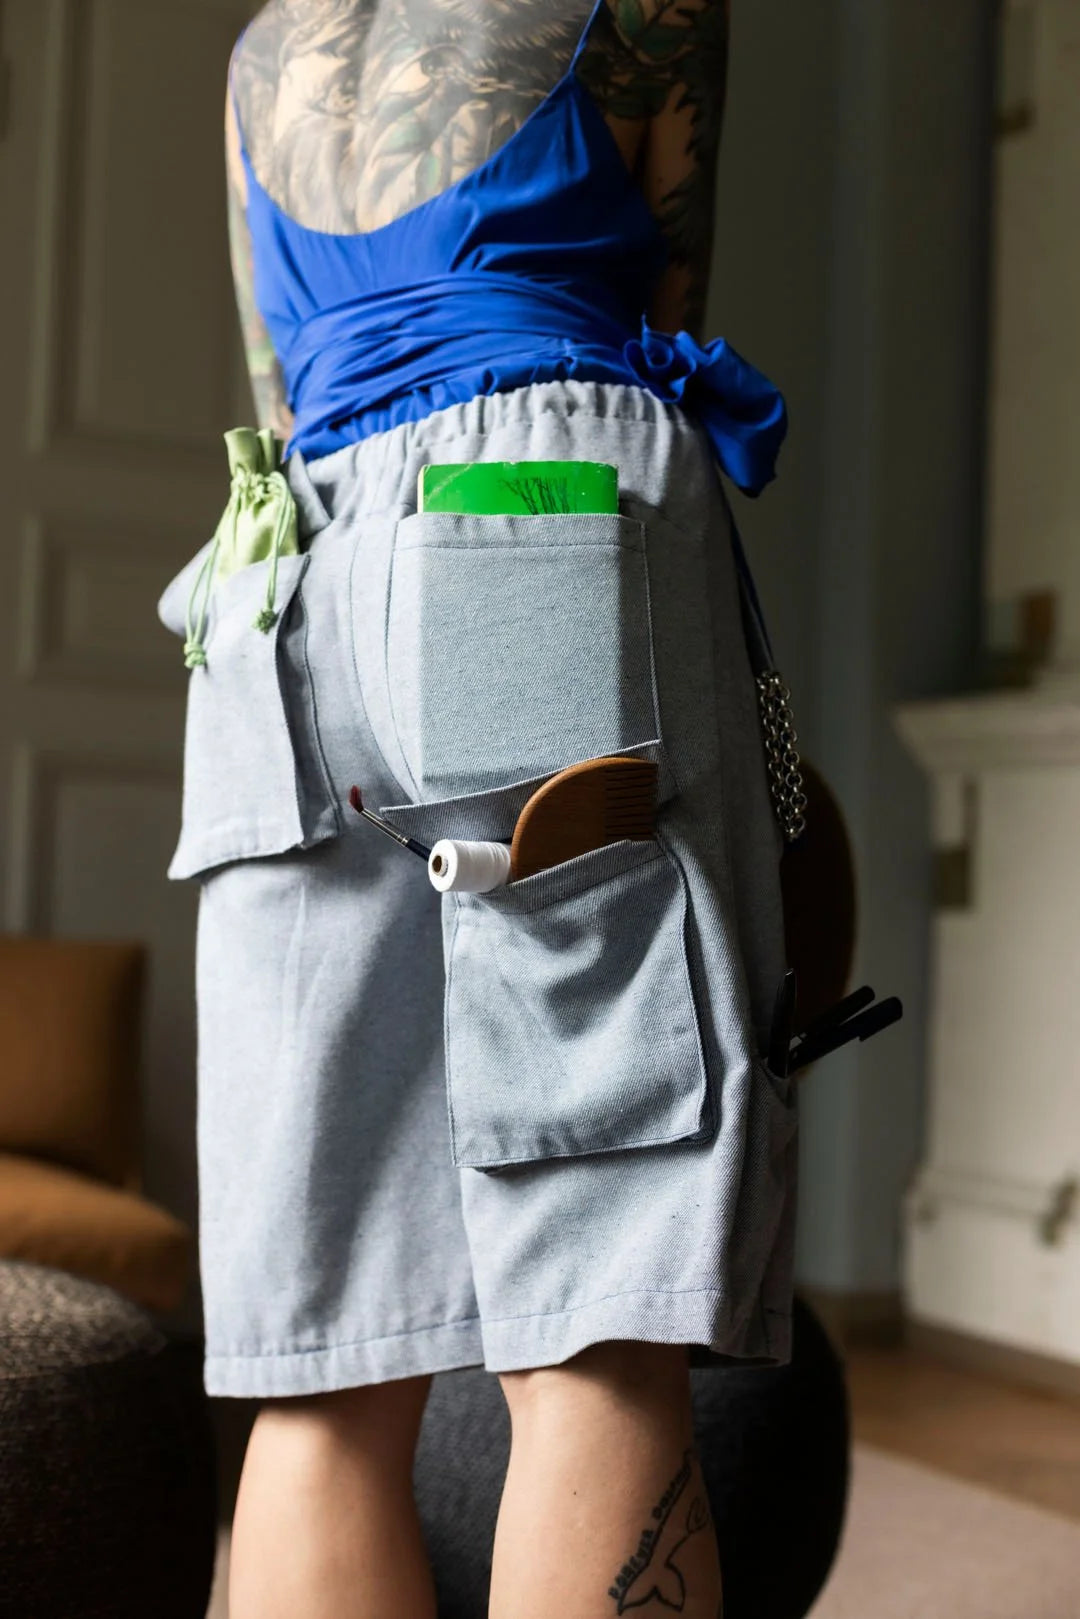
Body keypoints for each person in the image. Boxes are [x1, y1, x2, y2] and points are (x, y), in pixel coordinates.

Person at [159, 2, 801, 1614]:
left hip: (283, 580)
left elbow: (285, 399)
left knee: (326, 1370)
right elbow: (658, 305)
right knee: (596, 1317)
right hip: (537, 519)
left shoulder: (261, 53)